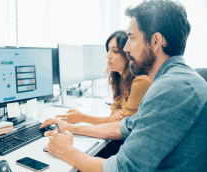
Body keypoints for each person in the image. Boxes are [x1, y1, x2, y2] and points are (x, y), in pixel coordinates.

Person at [40, 0, 207, 171]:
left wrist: (66, 151)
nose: (127, 48)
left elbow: (123, 169)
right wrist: (72, 128)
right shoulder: (174, 80)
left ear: (156, 41)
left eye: (132, 38)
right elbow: (126, 126)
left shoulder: (173, 87)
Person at [56, 30, 151, 125]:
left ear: (128, 54)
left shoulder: (140, 80)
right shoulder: (121, 78)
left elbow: (122, 124)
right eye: (108, 50)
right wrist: (117, 112)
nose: (108, 55)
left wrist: (82, 118)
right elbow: (115, 107)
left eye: (115, 51)